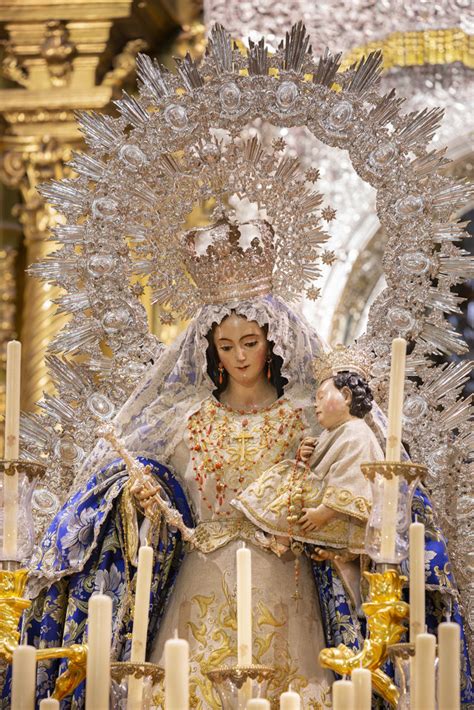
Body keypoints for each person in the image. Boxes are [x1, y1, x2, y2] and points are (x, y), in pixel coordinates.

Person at [16, 219, 473, 709]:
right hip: (203, 573)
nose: (239, 356)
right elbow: (155, 486)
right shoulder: (183, 419)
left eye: (250, 343)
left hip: (287, 576)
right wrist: (141, 495)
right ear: (210, 350)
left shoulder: (311, 416)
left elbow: (358, 475)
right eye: (226, 346)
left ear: (272, 340)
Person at [233, 366, 381, 557]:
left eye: (321, 397)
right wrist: (306, 454)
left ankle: (280, 537)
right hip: (331, 505)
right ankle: (279, 535)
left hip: (346, 515)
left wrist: (323, 513)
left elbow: (351, 479)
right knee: (290, 472)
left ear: (346, 396)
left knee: (291, 480)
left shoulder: (357, 432)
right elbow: (322, 463)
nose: (315, 405)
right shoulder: (336, 430)